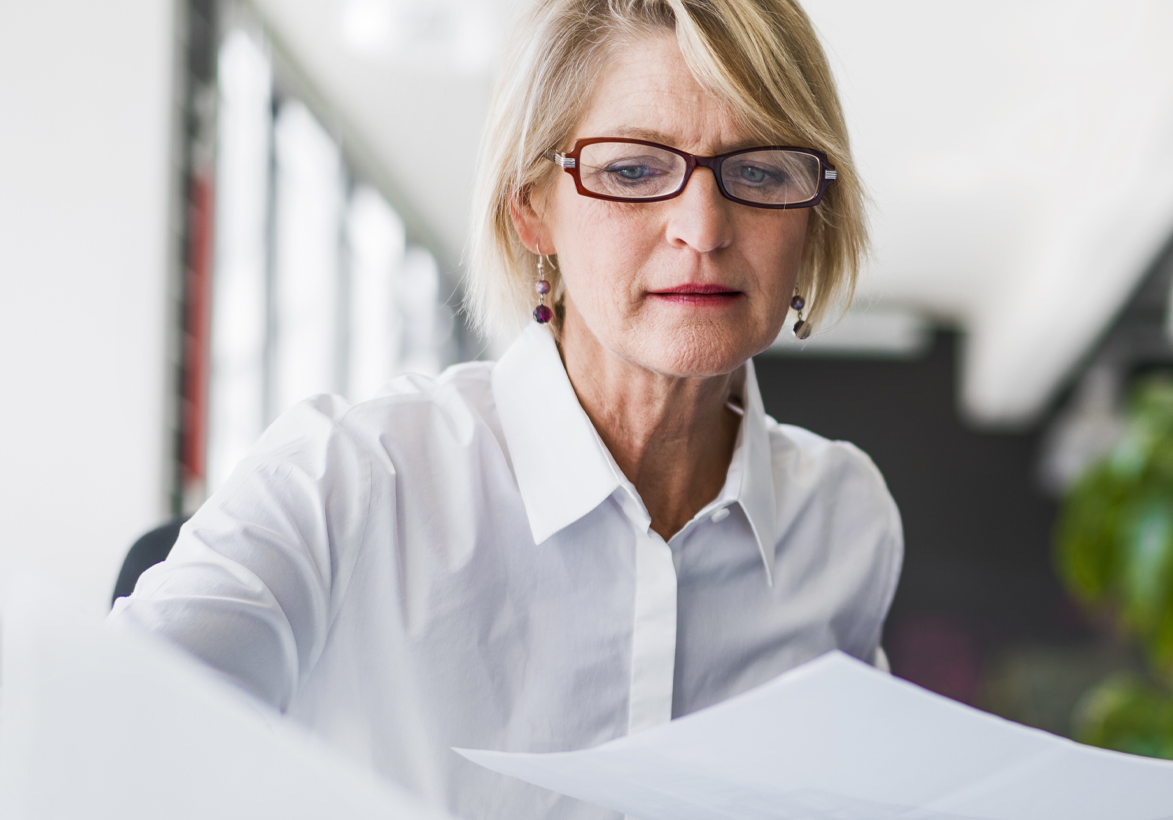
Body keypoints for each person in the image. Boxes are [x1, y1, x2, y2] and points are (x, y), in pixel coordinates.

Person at [109, 1, 900, 817]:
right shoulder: (348, 477)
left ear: (813, 214)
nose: (702, 228)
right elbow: (96, 750)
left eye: (763, 172)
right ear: (531, 208)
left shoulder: (844, 521)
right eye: (633, 170)